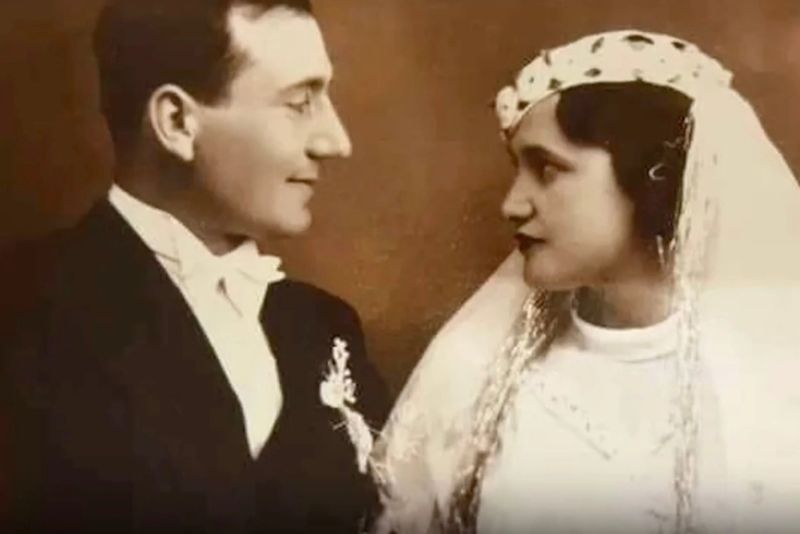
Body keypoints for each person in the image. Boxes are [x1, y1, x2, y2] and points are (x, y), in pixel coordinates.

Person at [373, 30, 800, 534]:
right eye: (517, 168)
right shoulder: (475, 376)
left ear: (653, 173)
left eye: (547, 168)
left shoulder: (774, 384)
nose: (512, 204)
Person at [1, 0, 389, 532]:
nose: (336, 142)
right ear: (177, 122)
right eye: (300, 103)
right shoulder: (23, 309)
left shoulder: (326, 327)